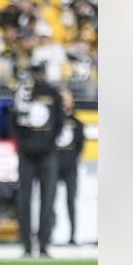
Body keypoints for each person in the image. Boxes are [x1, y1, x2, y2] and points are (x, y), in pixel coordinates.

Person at [11, 63, 63, 257]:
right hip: (26, 155)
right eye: (35, 72)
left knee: (48, 200)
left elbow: (59, 122)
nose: (38, 76)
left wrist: (49, 144)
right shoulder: (22, 94)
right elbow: (13, 122)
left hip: (47, 154)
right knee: (24, 200)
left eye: (40, 72)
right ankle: (25, 245)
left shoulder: (53, 94)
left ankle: (43, 245)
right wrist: (23, 144)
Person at [54, 88, 85, 245]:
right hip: (54, 165)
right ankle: (48, 233)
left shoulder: (77, 123)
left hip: (70, 166)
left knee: (71, 201)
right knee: (49, 199)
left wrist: (71, 159)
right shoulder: (53, 121)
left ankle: (73, 235)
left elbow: (80, 145)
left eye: (67, 98)